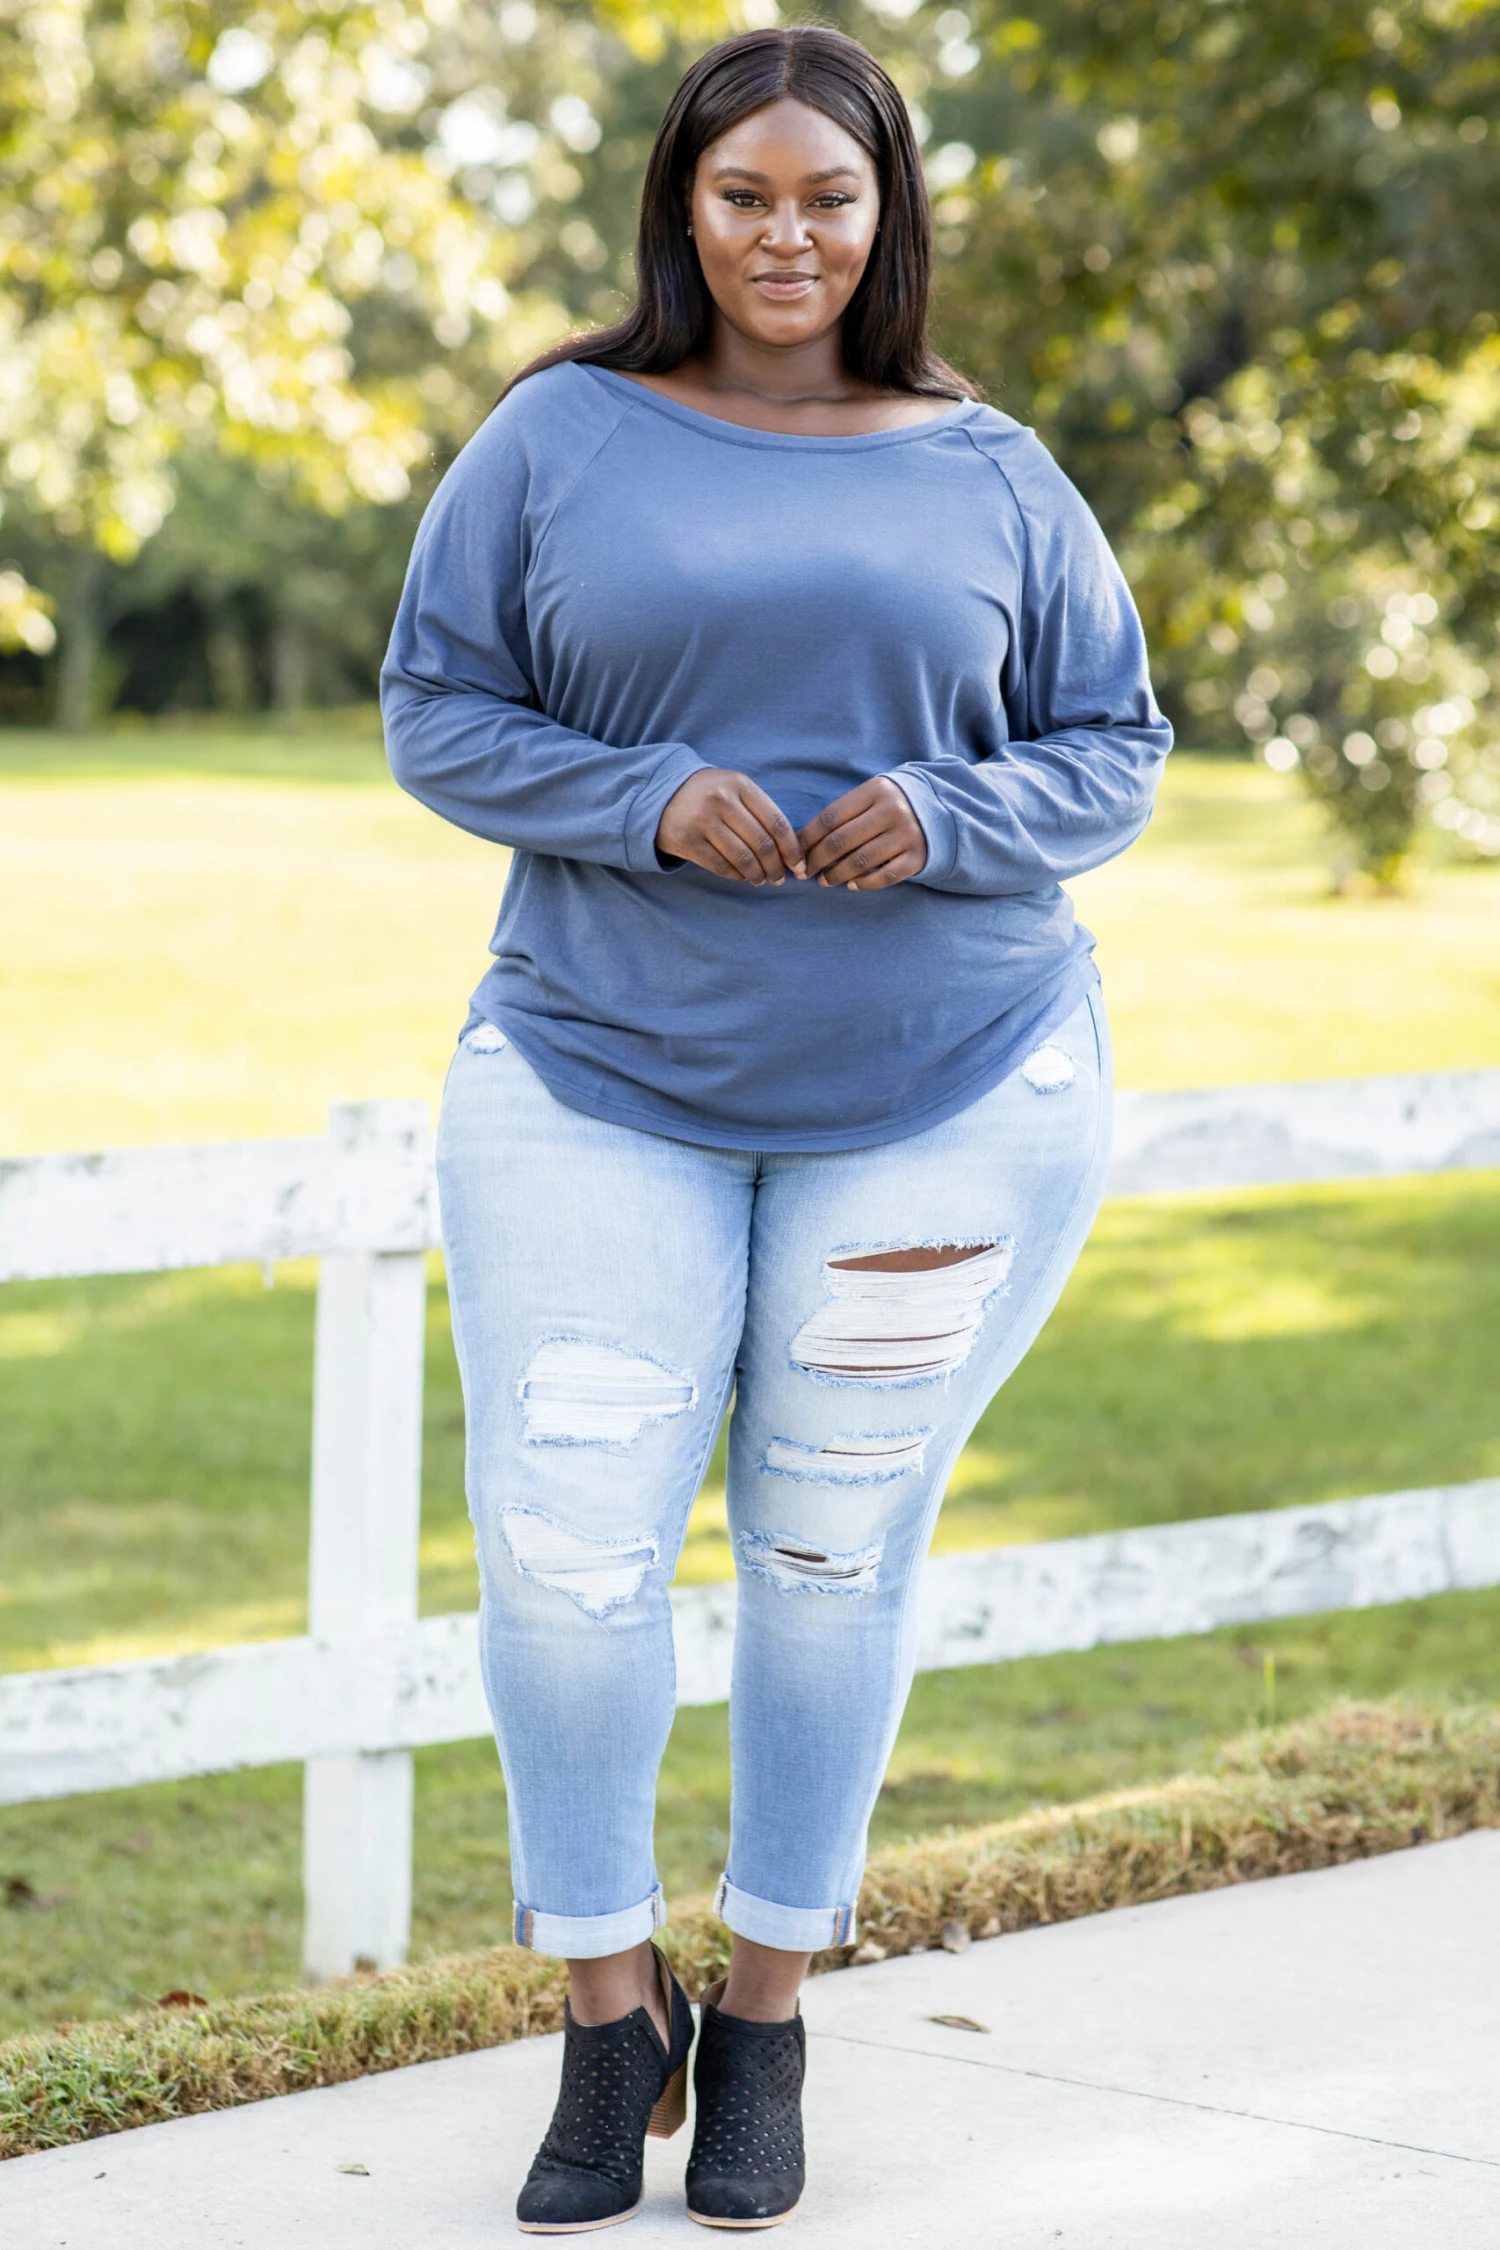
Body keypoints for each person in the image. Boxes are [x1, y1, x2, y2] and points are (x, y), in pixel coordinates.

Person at [382, 22, 1170, 2234]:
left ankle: (766, 2018)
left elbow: (1117, 740)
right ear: (684, 208)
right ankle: (602, 2010)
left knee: (831, 1559)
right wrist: (639, 796)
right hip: (592, 1070)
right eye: (746, 196)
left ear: (887, 213)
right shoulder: (557, 435)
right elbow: (435, 706)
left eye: (831, 197)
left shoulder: (995, 470)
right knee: (565, 1555)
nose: (789, 236)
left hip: (947, 1090)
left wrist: (954, 811)